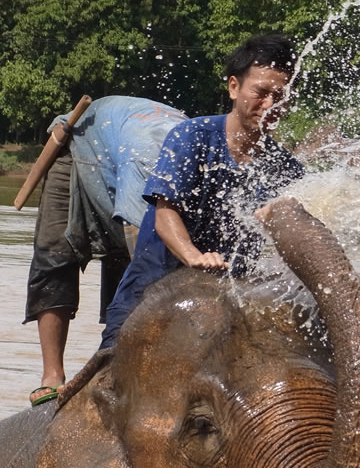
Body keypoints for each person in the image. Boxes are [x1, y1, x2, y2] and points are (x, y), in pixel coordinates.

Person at [100, 34, 304, 350]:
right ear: (234, 87)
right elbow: (165, 215)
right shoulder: (192, 137)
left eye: (280, 96)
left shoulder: (284, 167)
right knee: (111, 374)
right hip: (152, 292)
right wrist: (195, 257)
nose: (269, 106)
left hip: (224, 305)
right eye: (261, 93)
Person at [25, 96, 187, 406]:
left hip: (118, 147)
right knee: (56, 255)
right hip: (80, 146)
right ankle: (52, 376)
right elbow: (144, 253)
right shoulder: (143, 162)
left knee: (126, 262)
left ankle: (119, 363)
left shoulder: (193, 159)